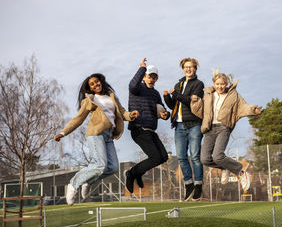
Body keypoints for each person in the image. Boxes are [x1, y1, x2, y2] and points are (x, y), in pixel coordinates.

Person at [54, 73, 139, 205]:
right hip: (95, 134)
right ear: (90, 89)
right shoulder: (90, 100)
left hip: (109, 135)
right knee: (100, 165)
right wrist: (63, 132)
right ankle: (74, 184)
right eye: (92, 84)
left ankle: (87, 180)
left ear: (101, 82)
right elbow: (78, 118)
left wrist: (131, 115)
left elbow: (121, 112)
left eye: (96, 82)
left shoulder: (111, 96)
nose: (95, 85)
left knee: (113, 167)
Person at [190, 68, 261, 191]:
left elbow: (243, 107)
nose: (220, 86)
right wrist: (194, 102)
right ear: (214, 84)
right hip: (210, 129)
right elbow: (200, 111)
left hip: (224, 128)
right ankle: (224, 168)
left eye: (222, 84)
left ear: (226, 83)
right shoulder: (208, 95)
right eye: (217, 84)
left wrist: (253, 110)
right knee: (204, 159)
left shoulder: (233, 96)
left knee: (218, 156)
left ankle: (241, 172)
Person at [125, 58, 170, 194]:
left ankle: (139, 173)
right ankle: (131, 173)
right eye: (149, 76)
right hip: (138, 129)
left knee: (163, 157)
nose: (151, 79)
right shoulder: (137, 89)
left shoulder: (155, 93)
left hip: (151, 130)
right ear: (144, 77)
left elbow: (162, 110)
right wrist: (142, 68)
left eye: (154, 77)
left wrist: (165, 115)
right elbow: (132, 85)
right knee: (155, 157)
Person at [163, 58, 204, 201]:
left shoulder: (199, 84)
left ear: (195, 69)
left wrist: (177, 94)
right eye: (186, 67)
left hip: (194, 124)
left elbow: (190, 102)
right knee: (181, 157)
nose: (188, 69)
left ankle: (198, 185)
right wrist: (167, 96)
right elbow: (173, 105)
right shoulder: (178, 84)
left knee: (195, 156)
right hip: (179, 125)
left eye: (191, 67)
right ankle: (189, 185)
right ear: (182, 69)